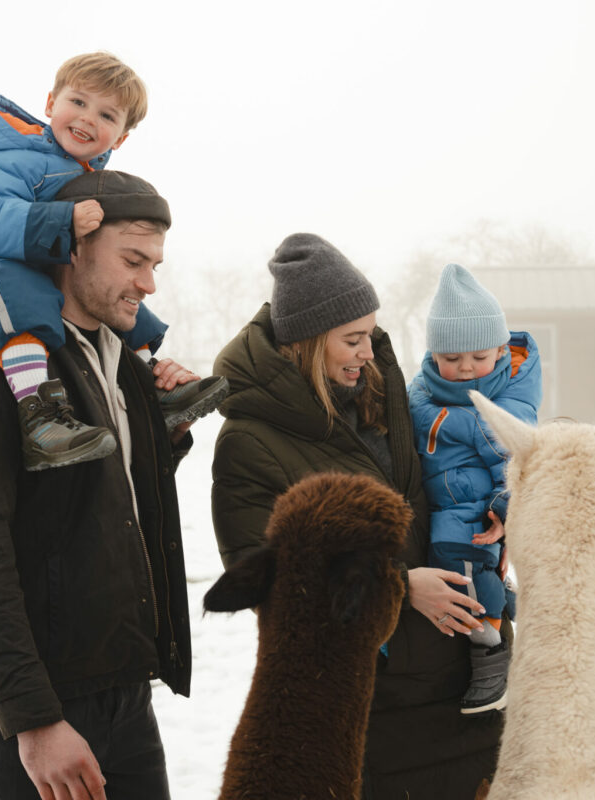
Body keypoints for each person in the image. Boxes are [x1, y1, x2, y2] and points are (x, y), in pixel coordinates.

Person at [211, 233, 510, 799]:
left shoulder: (386, 395)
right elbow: (268, 576)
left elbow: (446, 489)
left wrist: (496, 518)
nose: (368, 352)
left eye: (370, 334)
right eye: (351, 340)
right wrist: (400, 586)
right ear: (305, 343)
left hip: (463, 680)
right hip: (371, 699)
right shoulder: (250, 443)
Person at [0, 170, 196, 800]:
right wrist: (33, 718)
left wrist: (162, 437)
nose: (148, 283)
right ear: (71, 247)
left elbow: (95, 512)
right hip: (23, 717)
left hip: (123, 693)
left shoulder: (123, 362)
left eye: (155, 264)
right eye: (133, 261)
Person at [0, 51, 226, 471]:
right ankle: (39, 415)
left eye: (106, 115)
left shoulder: (75, 171)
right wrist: (63, 219)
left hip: (26, 269)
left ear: (120, 138)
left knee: (120, 295)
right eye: (78, 102)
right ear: (50, 104)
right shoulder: (3, 155)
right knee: (16, 286)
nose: (86, 119)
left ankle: (147, 381)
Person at [408, 263, 542, 715]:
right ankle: (500, 596)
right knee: (453, 548)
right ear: (433, 355)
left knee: (455, 548)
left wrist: (507, 506)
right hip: (442, 489)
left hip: (479, 502)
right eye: (451, 359)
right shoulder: (424, 388)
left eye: (478, 357)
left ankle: (489, 648)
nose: (465, 369)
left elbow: (517, 457)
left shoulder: (508, 399)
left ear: (502, 349)